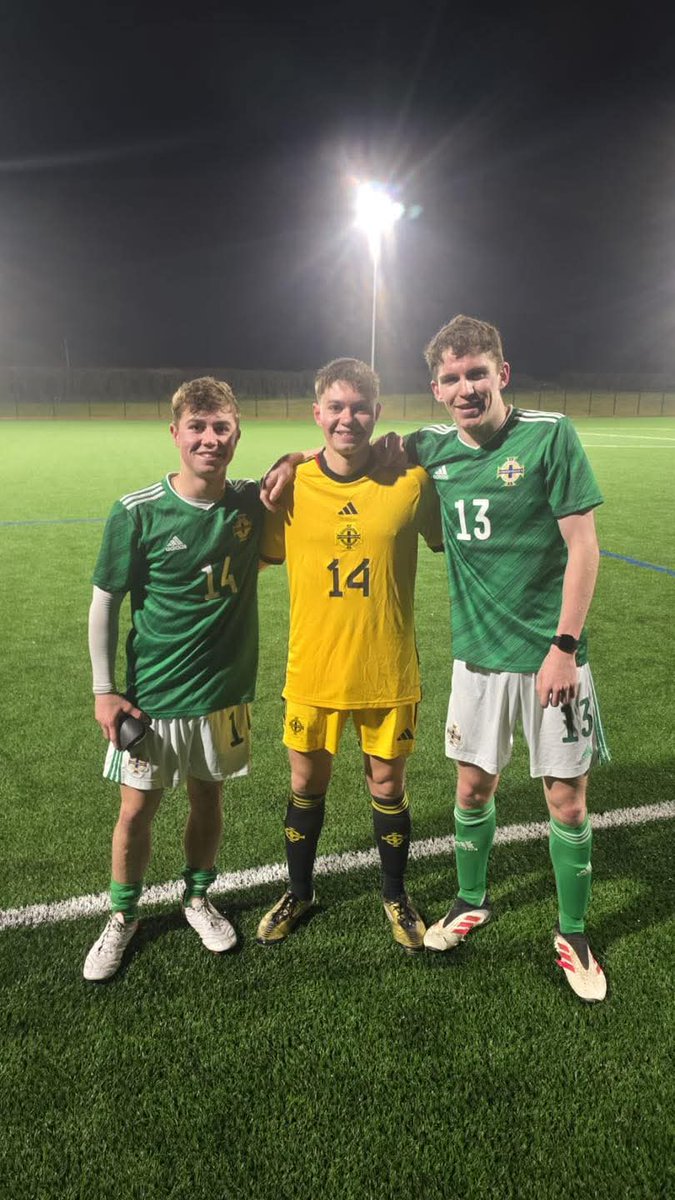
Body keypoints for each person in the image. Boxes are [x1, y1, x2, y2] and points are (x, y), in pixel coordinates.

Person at [406, 314, 610, 1001]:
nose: (466, 388)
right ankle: (472, 900)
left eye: (477, 373)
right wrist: (292, 463)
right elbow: (364, 450)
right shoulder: (430, 447)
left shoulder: (549, 434)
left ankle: (573, 932)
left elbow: (583, 546)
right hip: (477, 660)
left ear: (502, 373)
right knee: (471, 789)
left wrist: (563, 648)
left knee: (566, 802)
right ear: (436, 389)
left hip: (553, 659)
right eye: (451, 378)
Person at [84, 376, 272, 981]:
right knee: (136, 810)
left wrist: (295, 458)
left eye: (221, 428)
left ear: (237, 435)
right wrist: (104, 691)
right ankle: (122, 916)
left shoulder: (248, 502)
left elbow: (296, 472)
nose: (209, 439)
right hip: (153, 698)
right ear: (175, 433)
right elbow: (105, 602)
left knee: (208, 797)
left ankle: (197, 897)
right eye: (197, 427)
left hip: (224, 695)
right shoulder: (137, 511)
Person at [256, 358, 443, 952]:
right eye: (335, 407)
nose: (348, 419)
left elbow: (449, 534)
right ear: (317, 413)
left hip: (387, 669)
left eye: (360, 408)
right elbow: (262, 554)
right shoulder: (291, 486)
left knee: (387, 786)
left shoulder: (411, 483)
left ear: (377, 413)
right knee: (305, 782)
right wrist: (289, 459)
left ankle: (395, 894)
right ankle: (299, 891)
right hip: (313, 669)